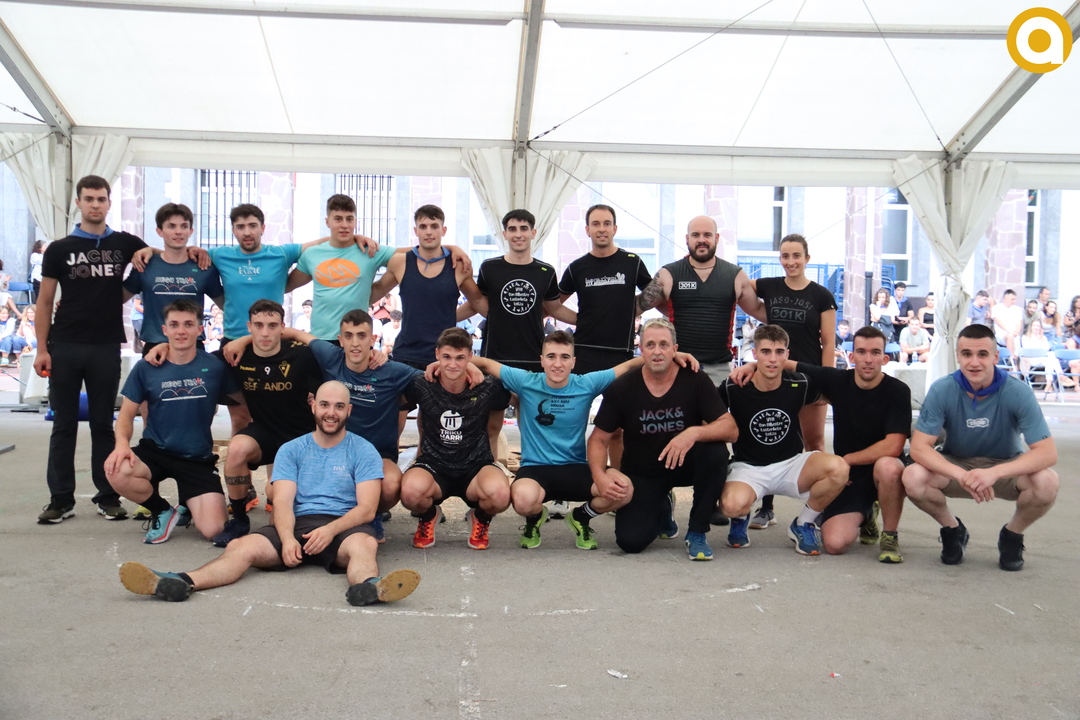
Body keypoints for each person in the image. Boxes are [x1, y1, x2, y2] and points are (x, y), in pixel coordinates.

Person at [117, 381, 421, 608]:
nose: (331, 413)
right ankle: (180, 581)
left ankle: (369, 587)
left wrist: (330, 531)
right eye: (325, 405)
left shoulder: (363, 450)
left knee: (365, 544)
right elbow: (283, 501)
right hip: (297, 522)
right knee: (240, 546)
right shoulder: (291, 449)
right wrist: (287, 539)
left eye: (339, 407)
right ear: (313, 406)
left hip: (343, 526)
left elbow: (366, 509)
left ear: (349, 410)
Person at [463, 329, 697, 550]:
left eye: (564, 357)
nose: (557, 363)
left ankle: (581, 517)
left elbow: (628, 365)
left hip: (575, 467)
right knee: (523, 500)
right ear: (542, 360)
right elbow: (485, 363)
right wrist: (467, 365)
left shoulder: (586, 384)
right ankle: (534, 519)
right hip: (536, 468)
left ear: (573, 362)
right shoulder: (525, 381)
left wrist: (673, 355)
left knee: (624, 489)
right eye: (551, 357)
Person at [222, 309, 418, 539]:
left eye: (362, 336)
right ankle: (310, 515)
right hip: (331, 449)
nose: (355, 343)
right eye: (349, 336)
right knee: (273, 490)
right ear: (340, 339)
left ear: (373, 339)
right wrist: (245, 340)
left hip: (375, 453)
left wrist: (452, 367)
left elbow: (433, 376)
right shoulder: (330, 356)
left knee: (391, 484)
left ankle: (370, 514)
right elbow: (295, 333)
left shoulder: (391, 370)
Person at [730, 325, 911, 562]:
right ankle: (866, 513)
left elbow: (894, 446)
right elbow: (786, 363)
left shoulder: (898, 390)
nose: (868, 359)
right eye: (861, 352)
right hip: (850, 478)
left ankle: (889, 535)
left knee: (889, 467)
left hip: (877, 470)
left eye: (875, 352)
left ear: (885, 359)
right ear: (851, 356)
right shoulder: (837, 380)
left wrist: (847, 460)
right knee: (834, 544)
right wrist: (753, 366)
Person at [34, 176, 150, 524]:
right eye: (89, 199)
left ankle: (107, 496)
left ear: (109, 203)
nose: (95, 204)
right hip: (65, 345)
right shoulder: (59, 249)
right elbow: (44, 302)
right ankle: (60, 499)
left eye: (101, 199)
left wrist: (160, 254)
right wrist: (42, 348)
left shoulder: (124, 243)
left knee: (103, 425)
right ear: (79, 203)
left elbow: (155, 256)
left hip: (105, 346)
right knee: (63, 425)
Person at [902, 324, 1058, 571]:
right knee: (912, 476)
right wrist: (961, 475)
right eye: (967, 354)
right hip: (956, 465)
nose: (974, 362)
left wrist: (994, 473)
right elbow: (920, 448)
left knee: (1048, 482)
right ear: (958, 356)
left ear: (995, 357)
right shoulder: (942, 389)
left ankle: (1012, 535)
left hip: (1005, 466)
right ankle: (953, 530)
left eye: (982, 354)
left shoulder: (1018, 392)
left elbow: (1047, 452)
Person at [589, 319, 736, 560]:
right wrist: (599, 476)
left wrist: (692, 433)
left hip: (685, 463)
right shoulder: (623, 387)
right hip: (644, 470)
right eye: (650, 345)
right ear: (641, 350)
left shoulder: (695, 379)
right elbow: (598, 439)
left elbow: (730, 428)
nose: (657, 351)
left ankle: (697, 531)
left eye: (664, 345)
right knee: (630, 542)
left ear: (674, 349)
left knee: (716, 453)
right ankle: (662, 504)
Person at [104, 300, 245, 544]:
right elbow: (126, 414)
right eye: (174, 325)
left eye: (188, 324)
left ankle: (188, 503)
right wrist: (121, 445)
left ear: (199, 330)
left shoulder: (214, 367)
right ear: (165, 330)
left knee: (214, 530)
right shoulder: (147, 367)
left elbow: (241, 406)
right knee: (116, 470)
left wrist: (239, 446)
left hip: (196, 458)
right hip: (156, 451)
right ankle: (162, 510)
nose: (181, 331)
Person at [717, 325, 849, 556]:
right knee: (730, 506)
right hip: (749, 468)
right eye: (765, 352)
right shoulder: (733, 386)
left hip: (791, 465)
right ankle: (741, 517)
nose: (772, 359)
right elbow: (709, 417)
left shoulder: (800, 383)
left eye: (779, 352)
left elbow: (837, 390)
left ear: (787, 355)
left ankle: (803, 523)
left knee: (839, 468)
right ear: (755, 353)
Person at [457, 209, 578, 458]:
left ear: (533, 233)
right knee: (491, 425)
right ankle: (491, 469)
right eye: (512, 229)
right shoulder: (490, 267)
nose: (518, 234)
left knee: (532, 423)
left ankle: (534, 469)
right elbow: (477, 303)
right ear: (504, 234)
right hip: (495, 357)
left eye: (524, 229)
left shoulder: (545, 271)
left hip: (532, 357)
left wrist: (589, 322)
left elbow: (554, 308)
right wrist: (442, 317)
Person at [748, 235, 838, 530]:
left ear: (807, 259)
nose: (791, 261)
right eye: (785, 256)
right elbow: (740, 287)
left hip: (810, 377)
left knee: (814, 442)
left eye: (796, 255)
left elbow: (828, 343)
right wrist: (758, 311)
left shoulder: (822, 295)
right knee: (772, 440)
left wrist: (827, 382)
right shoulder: (770, 286)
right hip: (774, 376)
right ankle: (767, 508)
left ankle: (818, 508)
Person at [368, 205, 481, 438]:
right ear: (416, 230)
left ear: (443, 230)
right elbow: (375, 291)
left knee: (433, 423)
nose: (429, 231)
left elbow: (478, 301)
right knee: (395, 419)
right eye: (423, 226)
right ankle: (388, 458)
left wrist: (448, 315)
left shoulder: (457, 266)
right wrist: (341, 292)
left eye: (434, 226)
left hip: (442, 356)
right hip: (407, 353)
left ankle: (424, 458)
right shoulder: (401, 262)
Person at [399, 328, 511, 550]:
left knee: (499, 495)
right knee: (410, 493)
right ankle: (429, 516)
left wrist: (494, 464)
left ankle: (480, 518)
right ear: (437, 355)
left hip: (475, 465)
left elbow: (494, 428)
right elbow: (407, 412)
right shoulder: (421, 384)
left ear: (470, 356)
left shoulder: (489, 387)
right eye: (447, 357)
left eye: (460, 358)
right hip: (434, 464)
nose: (453, 364)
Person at [635, 215, 766, 386]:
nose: (701, 240)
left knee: (719, 405)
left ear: (716, 238)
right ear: (687, 239)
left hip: (719, 369)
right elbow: (637, 306)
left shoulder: (735, 276)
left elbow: (758, 310)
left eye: (707, 235)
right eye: (696, 235)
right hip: (678, 366)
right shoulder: (669, 274)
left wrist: (795, 314)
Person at [287, 195, 398, 342]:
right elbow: (285, 286)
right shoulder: (312, 254)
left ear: (355, 222)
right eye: (338, 219)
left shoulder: (370, 250)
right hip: (321, 339)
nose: (344, 225)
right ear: (327, 222)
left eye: (349, 219)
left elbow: (407, 256)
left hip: (357, 339)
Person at [122, 203, 223, 357]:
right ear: (159, 231)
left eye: (184, 226)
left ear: (190, 231)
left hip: (192, 348)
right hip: (154, 346)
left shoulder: (203, 267)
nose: (178, 231)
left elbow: (226, 304)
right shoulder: (145, 265)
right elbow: (119, 298)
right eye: (171, 226)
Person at [1019, 319, 1071, 389]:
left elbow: (1046, 349)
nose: (1036, 327)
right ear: (1031, 327)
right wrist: (1039, 345)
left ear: (1040, 328)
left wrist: (1040, 338)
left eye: (1038, 326)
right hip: (1030, 360)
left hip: (1042, 359)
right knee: (1051, 356)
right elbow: (1028, 351)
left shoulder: (1043, 338)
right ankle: (1061, 376)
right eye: (1034, 325)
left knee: (1050, 359)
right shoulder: (1025, 337)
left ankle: (1048, 385)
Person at [991, 288, 1023, 358]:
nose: (1014, 301)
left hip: (1014, 334)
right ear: (1005, 298)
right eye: (1012, 299)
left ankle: (1015, 361)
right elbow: (998, 321)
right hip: (1001, 335)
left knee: (1016, 341)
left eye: (1015, 299)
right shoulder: (996, 308)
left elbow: (1019, 322)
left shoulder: (1017, 309)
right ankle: (1011, 358)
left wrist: (1017, 332)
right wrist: (1009, 331)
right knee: (1010, 336)